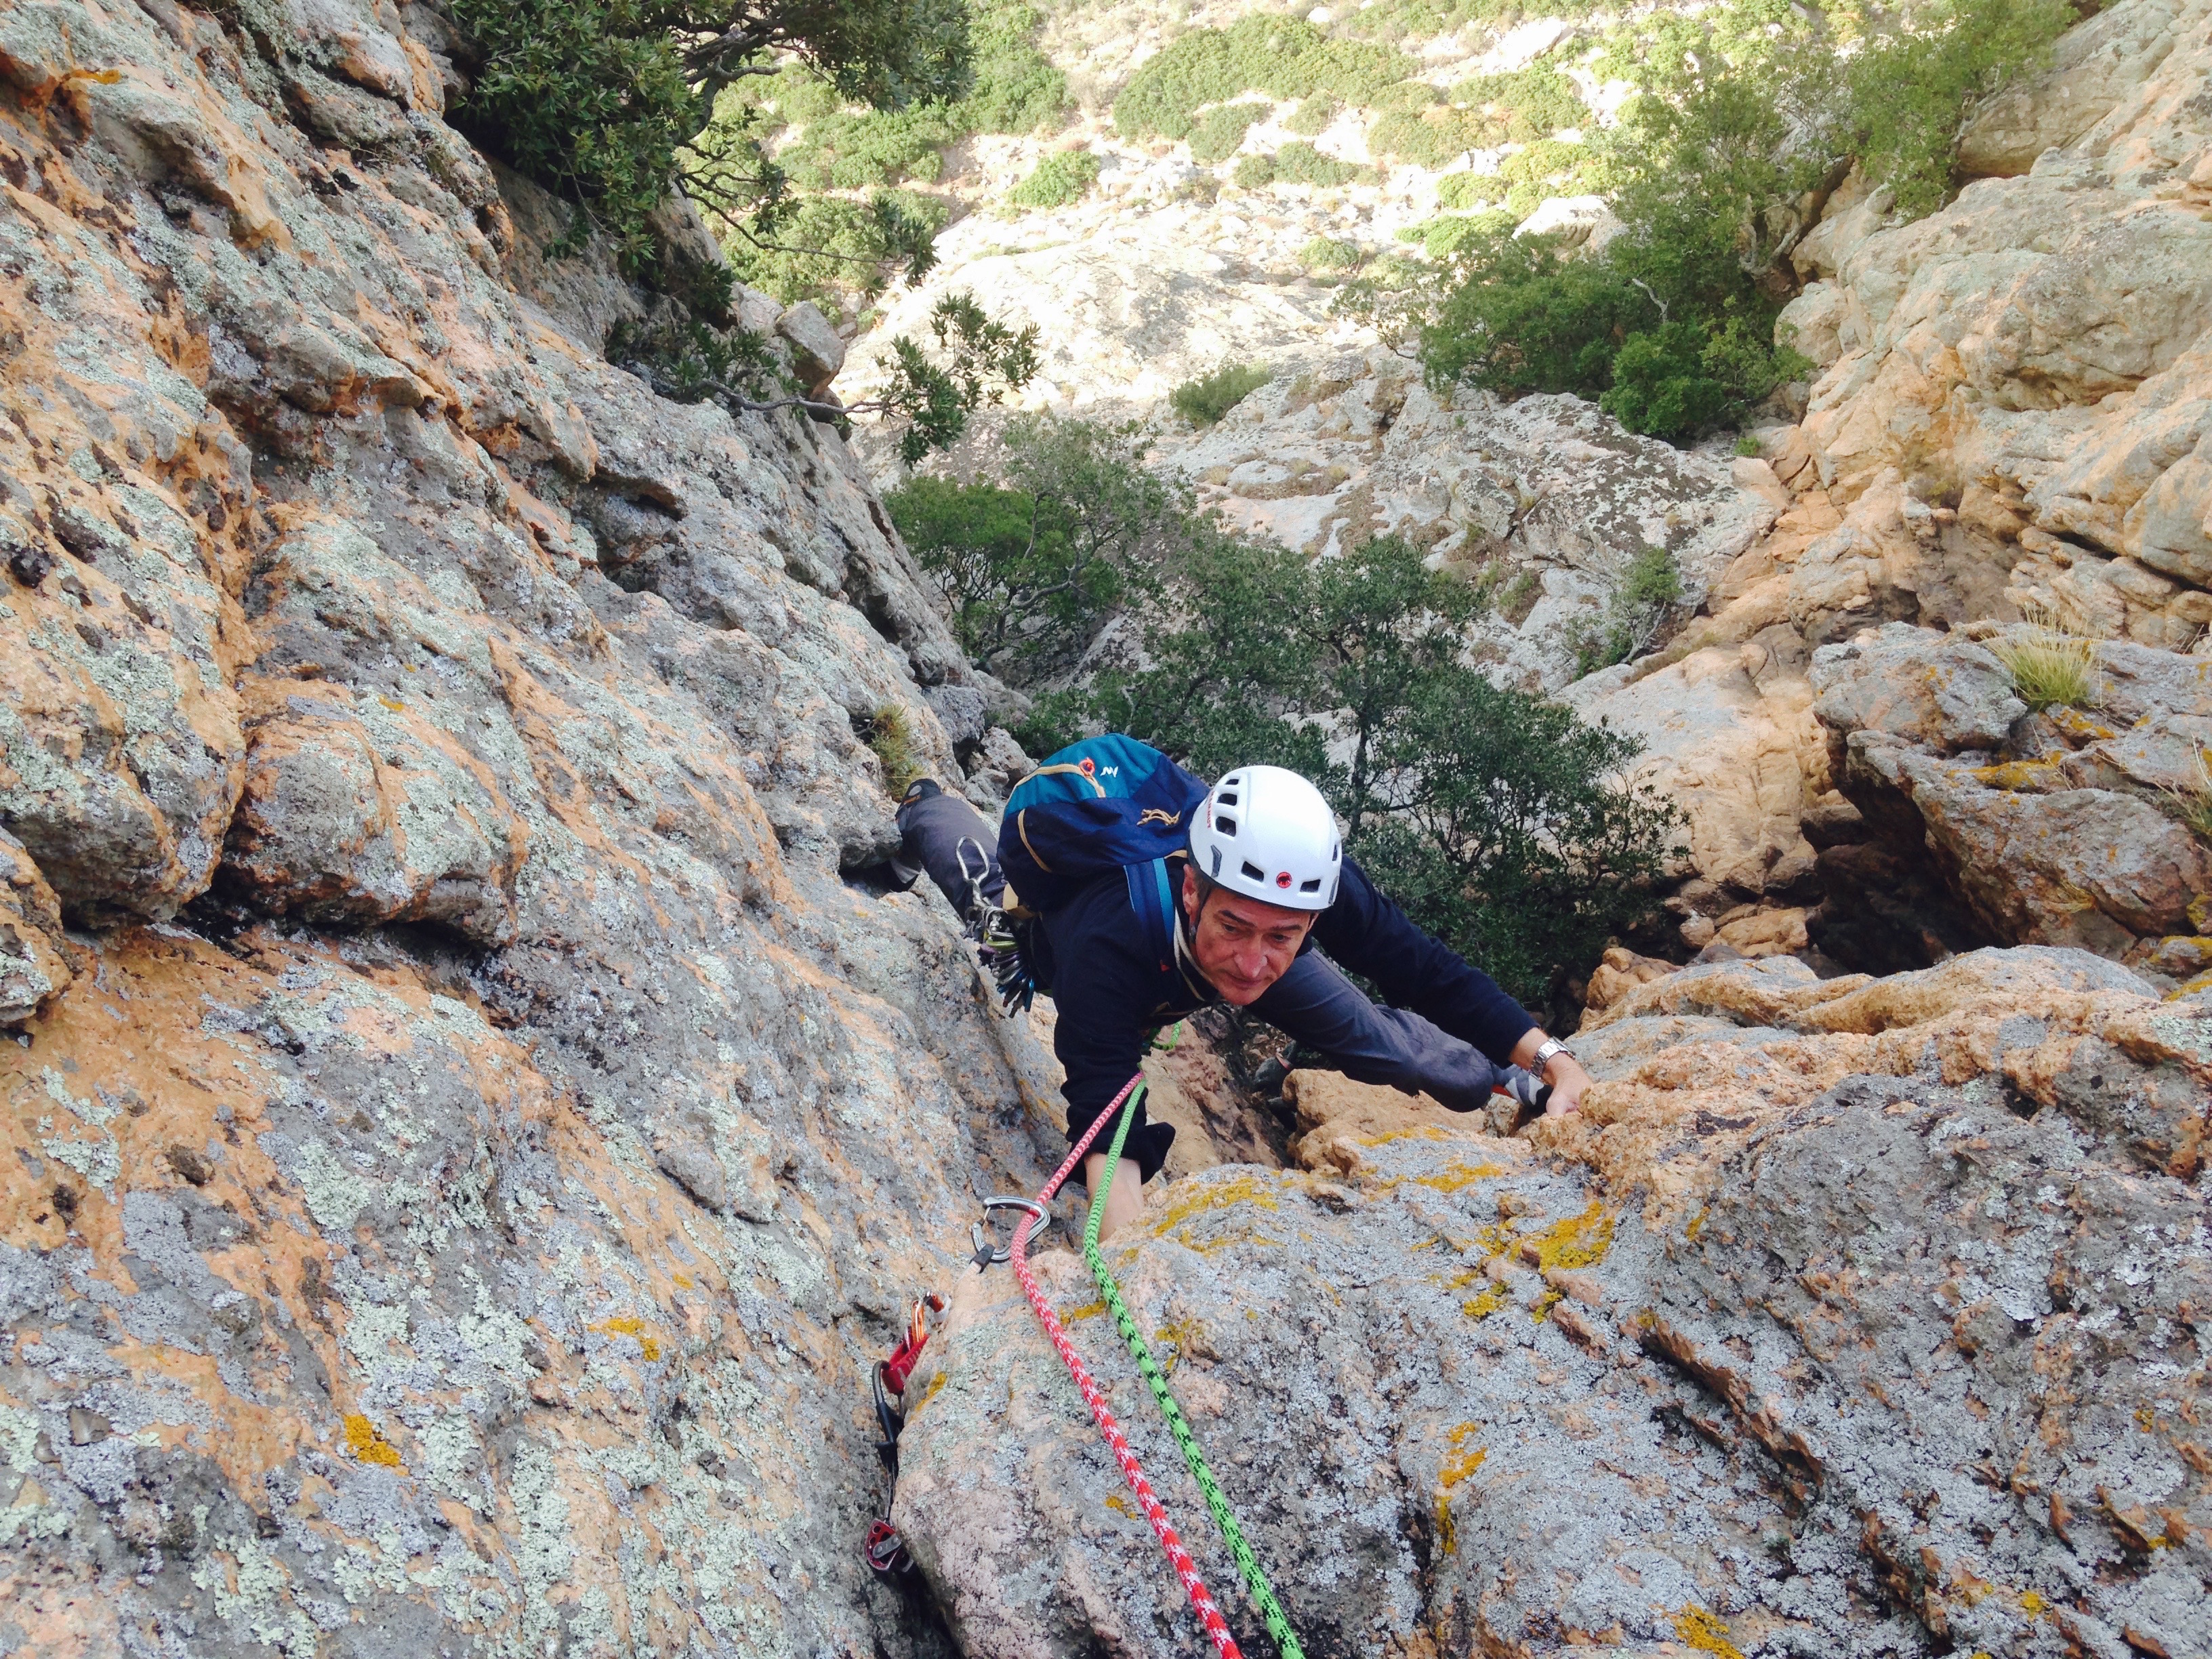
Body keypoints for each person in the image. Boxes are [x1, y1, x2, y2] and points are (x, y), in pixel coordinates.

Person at [891, 756, 1593, 1239]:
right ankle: (928, 805)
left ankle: (1501, 1077)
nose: (1254, 964)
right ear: (1194, 889)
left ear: (1312, 917)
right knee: (993, 917)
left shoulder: (1306, 880)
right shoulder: (1108, 940)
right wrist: (1134, 1263)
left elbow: (1420, 967)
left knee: (1380, 1042)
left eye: (1284, 936)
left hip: (1183, 943)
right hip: (1080, 942)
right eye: (1235, 925)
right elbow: (1105, 1113)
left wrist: (1549, 1060)